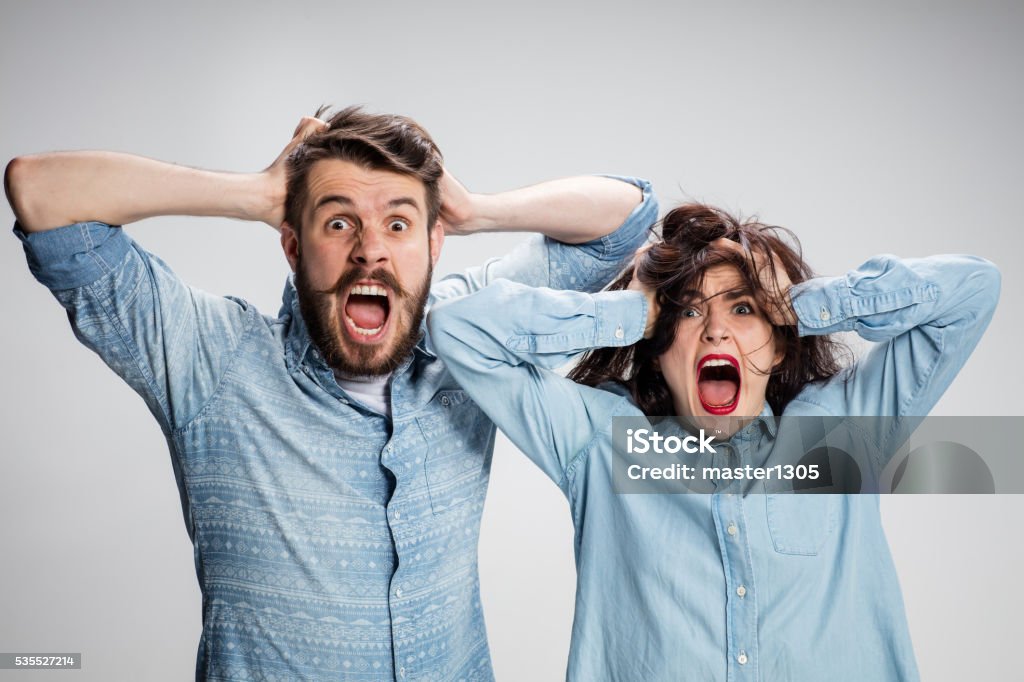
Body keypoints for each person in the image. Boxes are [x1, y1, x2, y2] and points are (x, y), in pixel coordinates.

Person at [5, 106, 657, 681]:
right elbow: (39, 192)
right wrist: (255, 193)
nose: (371, 251)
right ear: (292, 245)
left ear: (435, 245)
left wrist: (477, 210)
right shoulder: (212, 360)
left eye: (399, 226)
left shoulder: (470, 342)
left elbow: (625, 220)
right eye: (338, 224)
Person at [427, 203, 1001, 681]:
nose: (717, 329)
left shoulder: (843, 429)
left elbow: (973, 287)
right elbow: (457, 328)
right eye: (689, 311)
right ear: (657, 345)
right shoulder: (600, 442)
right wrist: (632, 310)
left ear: (778, 346)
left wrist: (801, 304)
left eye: (744, 308)